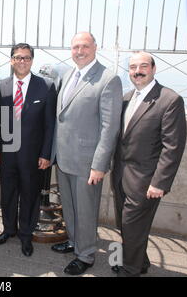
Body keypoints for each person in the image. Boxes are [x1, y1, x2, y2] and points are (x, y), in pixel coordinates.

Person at [50, 32, 122, 275]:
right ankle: (74, 241)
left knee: (86, 210)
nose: (79, 51)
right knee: (69, 207)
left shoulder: (108, 79)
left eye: (84, 46)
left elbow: (109, 127)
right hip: (64, 158)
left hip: (87, 162)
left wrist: (99, 164)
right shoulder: (69, 73)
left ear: (95, 48)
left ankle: (86, 254)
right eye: (75, 47)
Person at [110, 52, 187, 277]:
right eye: (133, 67)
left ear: (154, 68)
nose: (137, 71)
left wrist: (159, 183)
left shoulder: (169, 99)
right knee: (128, 226)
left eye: (143, 66)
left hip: (146, 181)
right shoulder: (126, 98)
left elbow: (172, 147)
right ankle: (140, 262)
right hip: (121, 176)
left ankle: (130, 270)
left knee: (132, 227)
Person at [0, 43, 56, 256]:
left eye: (26, 58)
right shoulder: (1, 86)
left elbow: (50, 125)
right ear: (11, 60)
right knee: (8, 194)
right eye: (18, 57)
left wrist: (46, 154)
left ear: (32, 61)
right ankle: (8, 230)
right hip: (6, 154)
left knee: (30, 195)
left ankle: (26, 235)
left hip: (33, 155)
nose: (22, 61)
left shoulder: (46, 86)